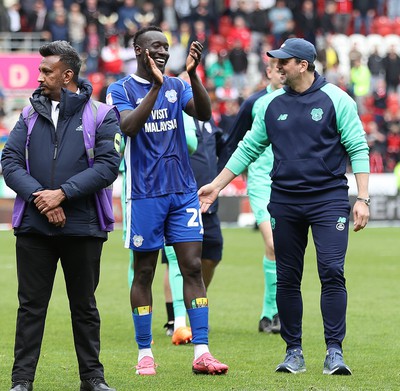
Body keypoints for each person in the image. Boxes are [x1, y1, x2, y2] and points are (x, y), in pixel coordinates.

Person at [198, 38, 370, 376]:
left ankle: (334, 351)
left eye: (283, 62)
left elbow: (358, 148)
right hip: (286, 201)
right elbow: (247, 148)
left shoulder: (338, 100)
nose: (277, 66)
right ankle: (294, 352)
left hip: (328, 200)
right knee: (287, 278)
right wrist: (216, 186)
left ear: (302, 65)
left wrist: (362, 199)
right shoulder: (271, 105)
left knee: (332, 272)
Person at [106, 25, 228, 376]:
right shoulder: (121, 89)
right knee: (144, 271)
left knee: (192, 266)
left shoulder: (177, 86)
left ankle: (201, 351)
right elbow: (128, 126)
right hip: (144, 194)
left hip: (182, 192)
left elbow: (203, 113)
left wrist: (192, 75)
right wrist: (157, 86)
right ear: (138, 50)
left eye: (166, 47)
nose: (162, 52)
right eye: (154, 47)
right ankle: (145, 352)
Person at [1, 41, 121, 391]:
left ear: (67, 75)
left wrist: (63, 193)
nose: (39, 77)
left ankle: (93, 380)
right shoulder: (27, 114)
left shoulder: (102, 114)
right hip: (34, 227)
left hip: (83, 227)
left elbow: (108, 167)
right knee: (30, 308)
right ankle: (21, 381)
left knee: (84, 307)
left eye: (46, 71)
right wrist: (43, 199)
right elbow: (9, 161)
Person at [219, 57, 283, 335]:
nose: (281, 73)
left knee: (284, 249)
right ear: (268, 72)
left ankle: (277, 311)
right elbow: (233, 141)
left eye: (284, 68)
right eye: (276, 69)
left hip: (290, 183)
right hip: (260, 183)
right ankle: (271, 311)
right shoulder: (254, 103)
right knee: (273, 243)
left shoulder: (300, 101)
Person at [163, 111, 225, 345]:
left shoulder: (208, 120)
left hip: (208, 202)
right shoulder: (173, 116)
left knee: (212, 256)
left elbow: (222, 146)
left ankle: (196, 300)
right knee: (174, 261)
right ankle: (174, 320)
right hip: (180, 198)